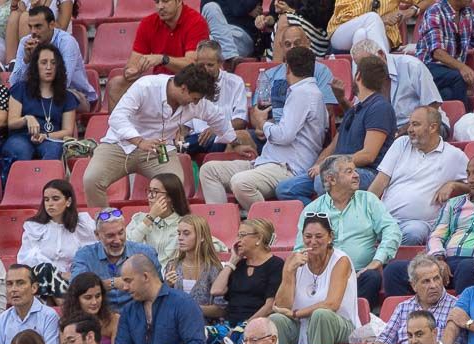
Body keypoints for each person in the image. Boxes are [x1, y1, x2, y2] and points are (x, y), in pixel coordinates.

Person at [87, 66, 239, 209]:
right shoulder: (145, 86)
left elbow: (219, 119)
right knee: (92, 179)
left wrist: (236, 143)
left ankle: (160, 226)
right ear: (184, 88)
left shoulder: (197, 103)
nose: (196, 102)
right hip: (119, 144)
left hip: (160, 149)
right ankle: (104, 224)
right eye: (194, 98)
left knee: (174, 185)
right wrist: (140, 141)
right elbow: (117, 118)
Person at [200, 48, 326, 212]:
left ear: (287, 68)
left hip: (287, 168)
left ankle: (268, 226)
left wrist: (263, 123)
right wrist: (268, 126)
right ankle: (221, 226)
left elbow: (284, 136)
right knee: (210, 170)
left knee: (241, 183)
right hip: (266, 163)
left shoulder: (303, 92)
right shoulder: (307, 92)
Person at [385, 155, 474, 297]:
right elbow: (437, 235)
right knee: (394, 270)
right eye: (468, 173)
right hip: (444, 261)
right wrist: (438, 259)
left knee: (468, 267)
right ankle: (408, 316)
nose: (471, 179)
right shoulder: (454, 203)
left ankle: (462, 317)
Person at [276, 58, 398, 206]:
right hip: (337, 168)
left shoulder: (379, 107)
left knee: (323, 182)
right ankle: (319, 218)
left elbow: (368, 155)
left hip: (366, 172)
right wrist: (318, 165)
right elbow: (333, 146)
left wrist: (328, 165)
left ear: (358, 76)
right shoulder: (356, 108)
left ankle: (333, 220)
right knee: (286, 189)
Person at [290, 155, 403, 306]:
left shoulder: (368, 200)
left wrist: (377, 261)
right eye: (349, 172)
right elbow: (301, 249)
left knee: (372, 277)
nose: (356, 175)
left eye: (355, 171)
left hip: (360, 275)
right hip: (323, 277)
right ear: (331, 179)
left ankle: (353, 318)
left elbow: (392, 230)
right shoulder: (313, 209)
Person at [369, 107, 468, 247]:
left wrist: (453, 185)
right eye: (410, 124)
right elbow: (380, 182)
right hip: (386, 220)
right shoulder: (401, 144)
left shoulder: (454, 155)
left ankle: (382, 251)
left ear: (433, 127)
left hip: (418, 224)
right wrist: (363, 211)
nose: (409, 129)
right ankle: (383, 248)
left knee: (414, 233)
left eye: (415, 124)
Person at [269, 216, 360, 344]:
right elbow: (282, 306)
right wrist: (289, 272)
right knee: (276, 319)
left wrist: (295, 314)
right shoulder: (294, 260)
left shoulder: (341, 260)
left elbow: (331, 304)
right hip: (302, 325)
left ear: (330, 237)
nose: (313, 241)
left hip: (339, 323)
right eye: (308, 236)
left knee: (321, 315)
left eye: (319, 236)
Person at [106, 0, 210, 106]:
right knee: (116, 84)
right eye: (157, 2)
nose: (160, 6)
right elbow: (132, 63)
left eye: (165, 1)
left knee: (175, 89)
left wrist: (162, 59)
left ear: (179, 1)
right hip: (159, 82)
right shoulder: (148, 23)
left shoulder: (196, 22)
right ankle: (118, 122)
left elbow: (193, 66)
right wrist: (131, 71)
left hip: (187, 83)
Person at [7, 6, 96, 110]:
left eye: (38, 26)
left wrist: (38, 56)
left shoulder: (67, 42)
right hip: (40, 92)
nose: (33, 32)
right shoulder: (25, 42)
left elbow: (63, 82)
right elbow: (14, 84)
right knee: (15, 98)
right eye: (30, 27)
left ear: (52, 25)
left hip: (76, 94)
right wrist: (27, 60)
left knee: (58, 97)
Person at [4, 42, 78, 165]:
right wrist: (27, 119)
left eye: (53, 63)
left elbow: (67, 130)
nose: (49, 67)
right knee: (20, 150)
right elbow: (11, 123)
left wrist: (46, 135)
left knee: (54, 151)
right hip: (21, 136)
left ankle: (47, 183)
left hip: (50, 138)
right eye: (44, 62)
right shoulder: (21, 89)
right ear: (35, 66)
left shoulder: (67, 97)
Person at [71, 210, 160, 311]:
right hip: (99, 316)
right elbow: (75, 289)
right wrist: (112, 283)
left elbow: (160, 290)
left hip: (140, 313)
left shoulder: (146, 252)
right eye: (110, 236)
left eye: (121, 233)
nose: (117, 240)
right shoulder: (84, 255)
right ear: (97, 235)